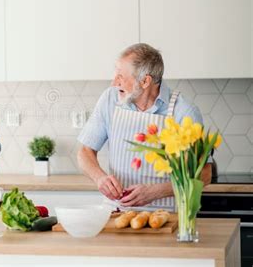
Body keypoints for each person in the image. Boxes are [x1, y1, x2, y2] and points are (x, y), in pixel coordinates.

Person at [77, 43, 211, 211]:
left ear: (145, 81)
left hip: (166, 217)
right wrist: (99, 178)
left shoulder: (183, 112)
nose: (114, 82)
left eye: (121, 76)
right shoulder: (110, 99)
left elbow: (204, 174)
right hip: (116, 211)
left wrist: (155, 192)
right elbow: (85, 152)